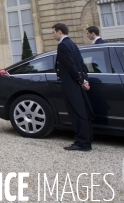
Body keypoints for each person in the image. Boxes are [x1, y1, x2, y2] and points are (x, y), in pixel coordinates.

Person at [52, 22, 94, 152]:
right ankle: (85, 140)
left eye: (53, 32)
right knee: (82, 111)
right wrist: (84, 79)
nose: (53, 35)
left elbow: (70, 65)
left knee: (76, 113)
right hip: (77, 82)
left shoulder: (63, 45)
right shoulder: (72, 44)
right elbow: (81, 64)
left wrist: (81, 80)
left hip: (71, 84)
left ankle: (82, 142)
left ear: (59, 31)